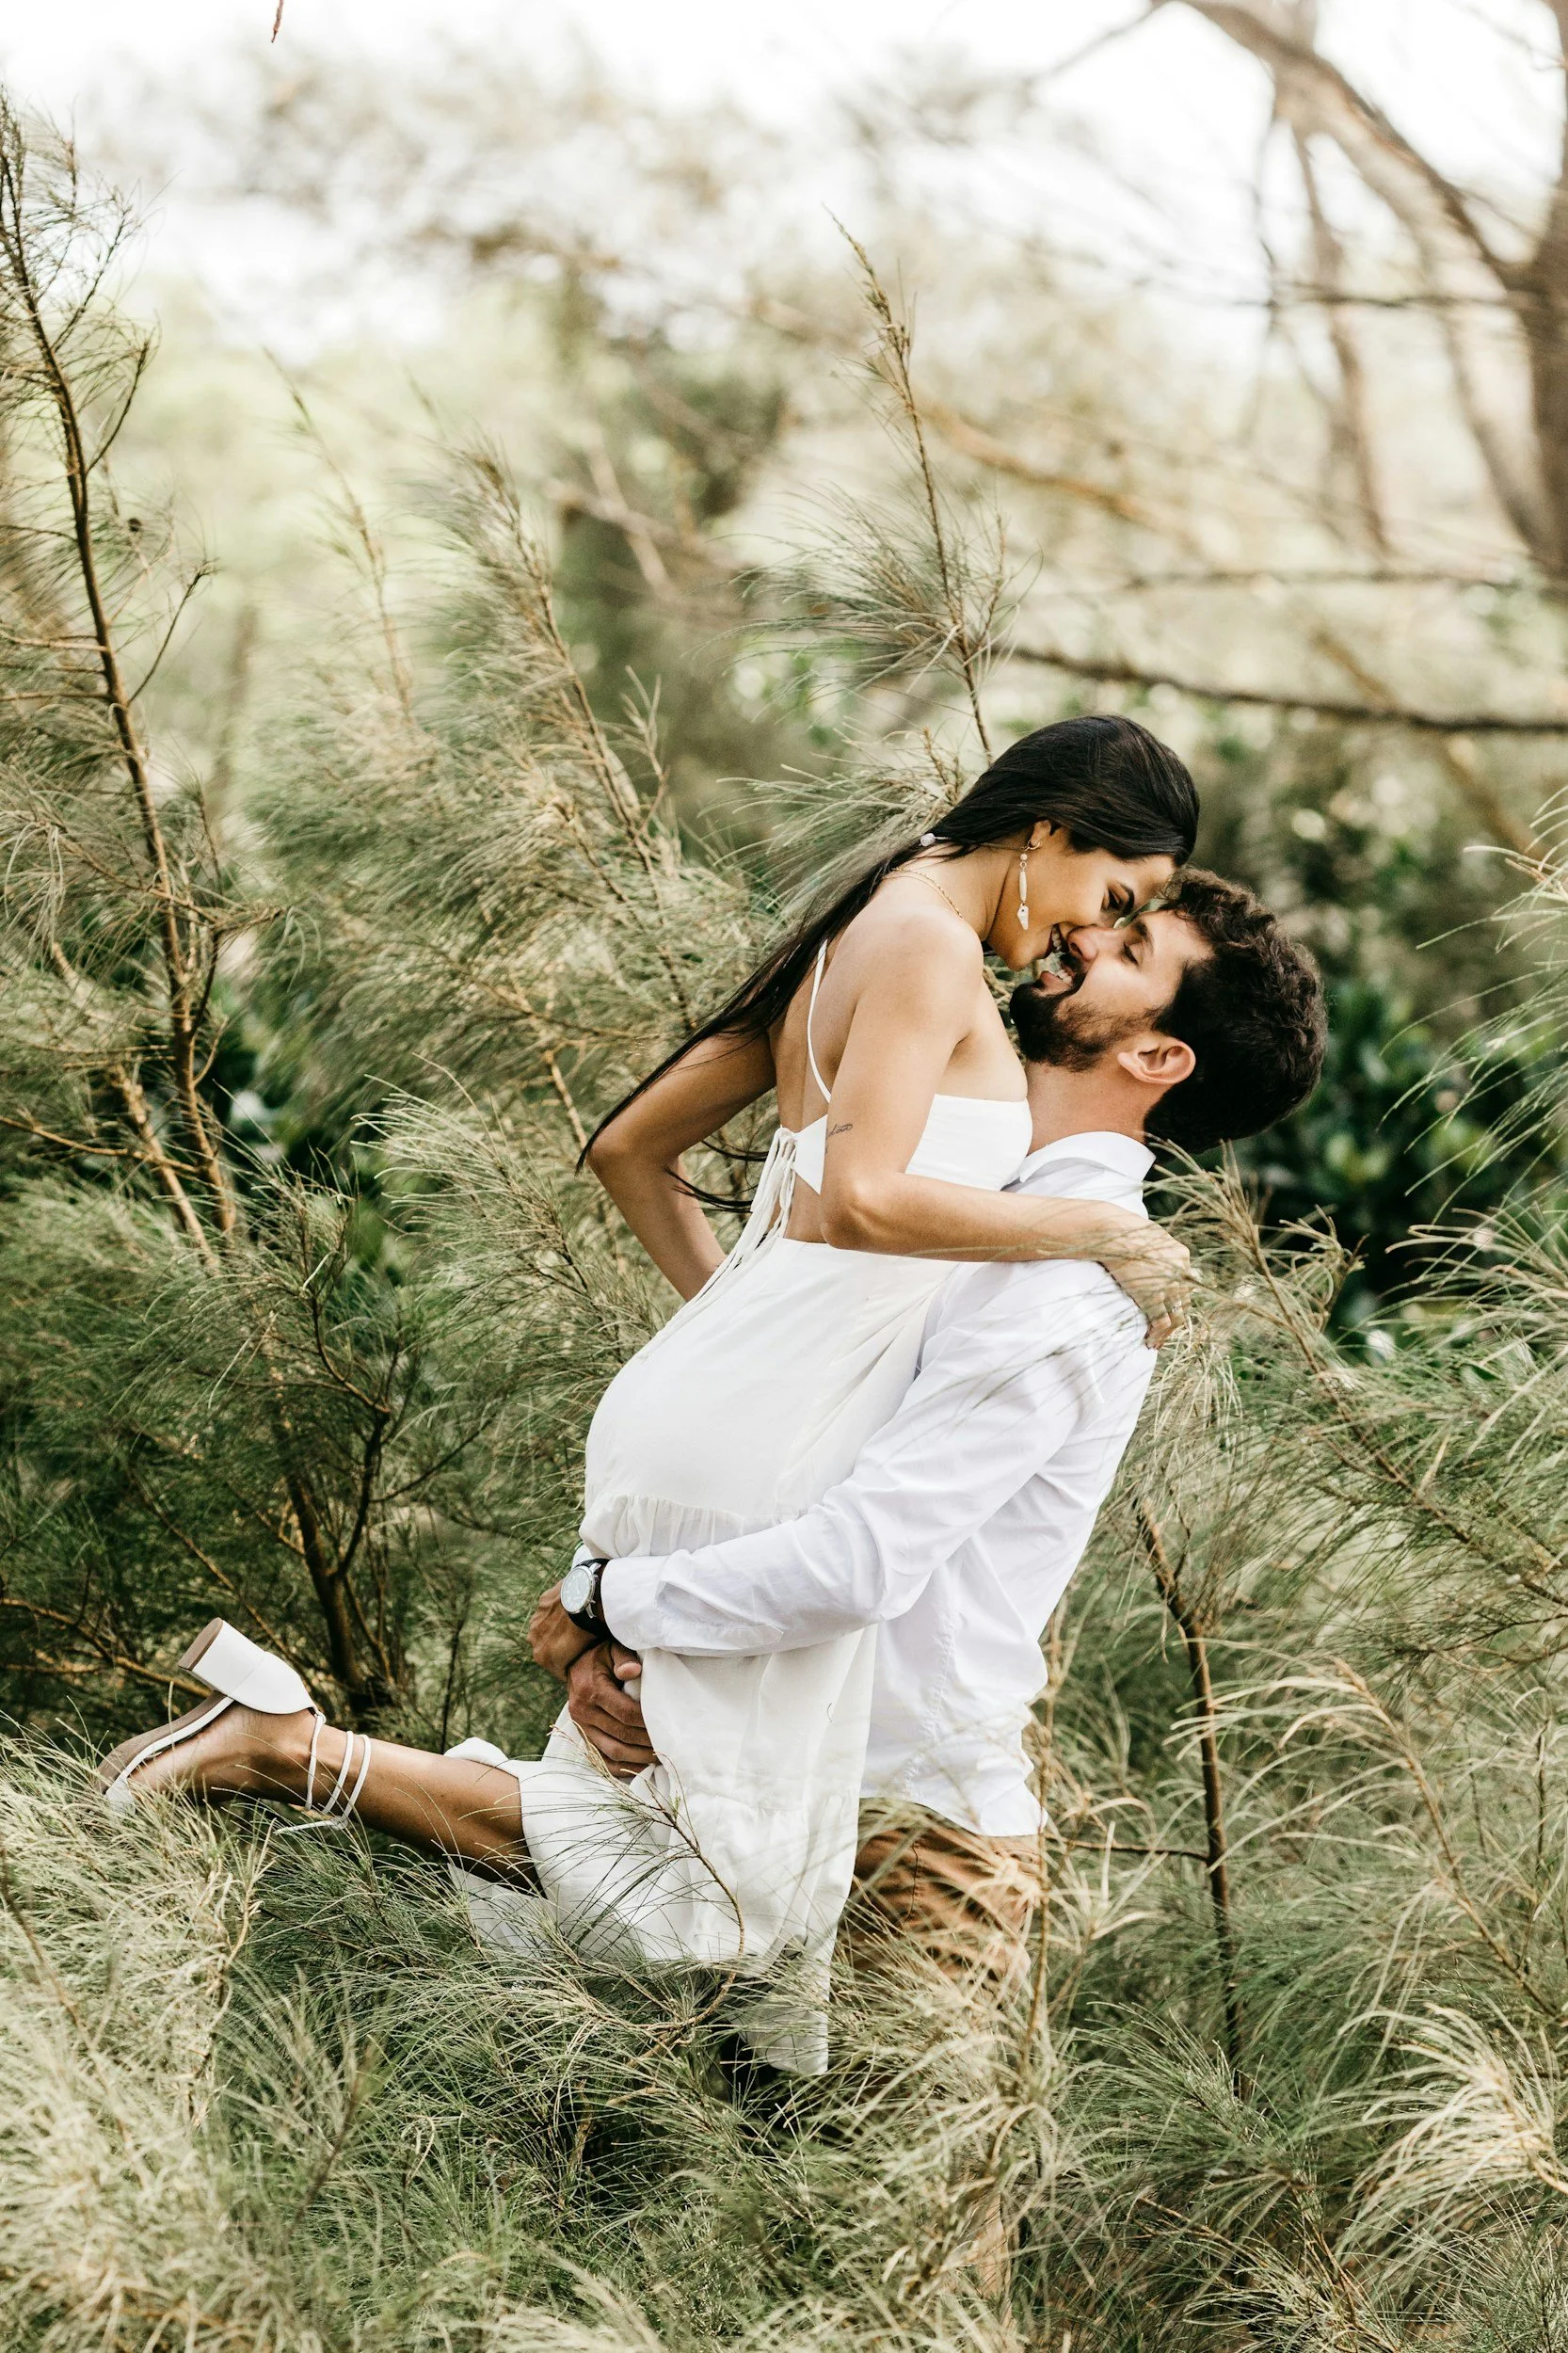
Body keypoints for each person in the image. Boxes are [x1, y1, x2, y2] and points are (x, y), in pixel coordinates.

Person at [99, 716, 1205, 2064]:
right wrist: (1105, 1232)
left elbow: (630, 1149)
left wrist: (747, 1344)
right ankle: (286, 1750)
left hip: (701, 1406)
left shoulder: (857, 928)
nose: (1089, 932)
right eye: (1113, 895)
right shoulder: (922, 945)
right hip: (749, 1428)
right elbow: (855, 1200)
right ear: (1048, 831)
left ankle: (305, 1760)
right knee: (726, 1883)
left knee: (682, 1832)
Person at [532, 867, 1326, 2008]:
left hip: (911, 1850)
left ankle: (288, 1750)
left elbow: (859, 1564)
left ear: (1157, 1056)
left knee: (873, 2191)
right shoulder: (956, 1195)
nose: (1077, 940)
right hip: (756, 1785)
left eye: (1127, 943)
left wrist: (609, 1601)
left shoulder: (1080, 1289)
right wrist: (627, 1650)